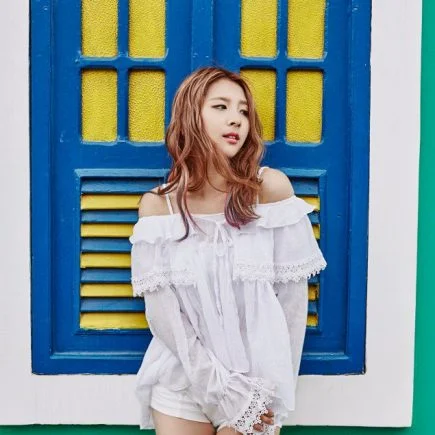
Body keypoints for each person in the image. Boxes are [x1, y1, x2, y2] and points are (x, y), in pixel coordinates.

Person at [129, 66, 327, 435]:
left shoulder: (269, 191)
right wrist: (220, 389)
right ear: (191, 115)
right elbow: (165, 317)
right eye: (221, 107)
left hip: (256, 385)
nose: (236, 119)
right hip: (182, 379)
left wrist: (264, 394)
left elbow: (291, 307)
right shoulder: (158, 208)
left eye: (243, 111)